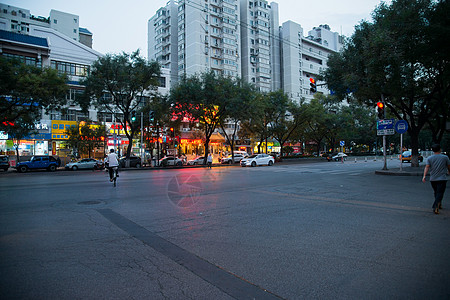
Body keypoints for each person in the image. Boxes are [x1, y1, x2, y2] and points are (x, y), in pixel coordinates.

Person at [422, 144, 450, 214]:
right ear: (440, 149)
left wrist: (424, 176)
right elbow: (448, 166)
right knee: (440, 192)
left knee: (436, 192)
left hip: (433, 179)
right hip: (442, 178)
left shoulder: (430, 158)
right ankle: (436, 206)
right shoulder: (445, 157)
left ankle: (439, 203)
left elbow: (427, 167)